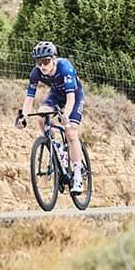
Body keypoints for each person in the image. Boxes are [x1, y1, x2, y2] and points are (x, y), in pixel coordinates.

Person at [15, 41, 86, 194]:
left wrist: (66, 116)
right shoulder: (36, 73)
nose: (42, 66)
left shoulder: (65, 67)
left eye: (46, 61)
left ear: (54, 59)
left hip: (74, 96)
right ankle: (58, 148)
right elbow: (29, 97)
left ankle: (78, 175)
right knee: (42, 116)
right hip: (56, 95)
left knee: (71, 132)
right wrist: (24, 116)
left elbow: (71, 98)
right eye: (39, 62)